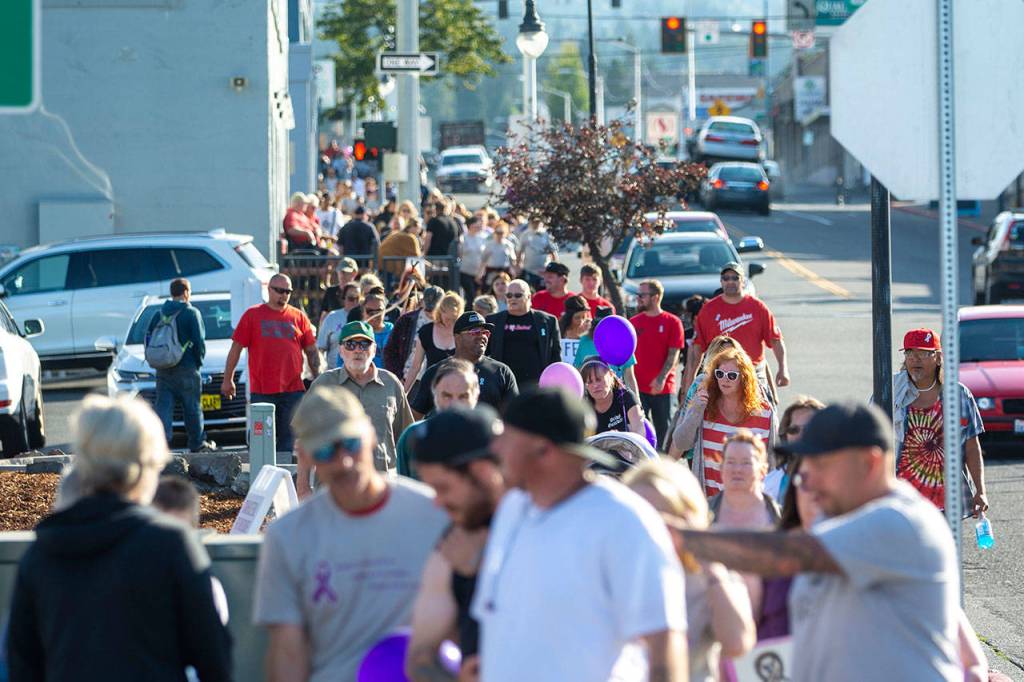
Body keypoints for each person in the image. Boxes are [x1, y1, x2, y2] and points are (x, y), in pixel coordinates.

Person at [665, 402, 965, 682]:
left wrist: (679, 537)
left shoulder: (900, 522)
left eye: (821, 464)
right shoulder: (833, 524)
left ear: (870, 463)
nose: (808, 477)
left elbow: (782, 555)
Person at [7, 396, 232, 681]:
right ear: (145, 464)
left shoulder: (41, 553)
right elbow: (214, 659)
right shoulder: (170, 545)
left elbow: (22, 665)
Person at [473, 387, 689, 681]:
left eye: (506, 438)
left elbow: (664, 645)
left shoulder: (624, 522)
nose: (495, 449)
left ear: (544, 450)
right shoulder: (511, 509)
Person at [254, 385, 447, 682]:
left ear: (371, 435)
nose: (343, 461)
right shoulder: (288, 536)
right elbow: (287, 650)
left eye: (351, 444)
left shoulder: (433, 514)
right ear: (305, 456)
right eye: (325, 451)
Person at [623, 460, 756, 682]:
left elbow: (737, 643)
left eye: (661, 515)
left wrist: (702, 551)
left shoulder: (710, 578)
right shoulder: (617, 573)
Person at [405, 406, 506, 682]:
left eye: (443, 488)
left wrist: (482, 570)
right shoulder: (452, 545)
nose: (436, 502)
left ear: (482, 472)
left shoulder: (543, 522)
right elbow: (420, 658)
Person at [891, 328, 987, 516]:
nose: (915, 359)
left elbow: (971, 447)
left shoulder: (958, 395)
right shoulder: (892, 391)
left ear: (938, 358)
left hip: (947, 503)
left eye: (922, 353)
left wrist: (981, 490)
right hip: (902, 503)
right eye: (909, 353)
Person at [222, 273, 319, 455]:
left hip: (293, 389)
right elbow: (236, 349)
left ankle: (284, 472)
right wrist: (228, 379)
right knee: (261, 440)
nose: (284, 295)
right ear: (269, 290)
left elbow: (311, 350)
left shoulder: (298, 317)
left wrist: (318, 379)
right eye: (279, 291)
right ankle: (261, 471)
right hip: (262, 389)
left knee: (288, 441)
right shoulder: (252, 315)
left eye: (288, 291)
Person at [305, 321, 413, 479]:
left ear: (374, 350)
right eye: (350, 344)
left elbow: (407, 439)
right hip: (333, 484)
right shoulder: (323, 384)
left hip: (382, 483)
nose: (357, 350)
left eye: (364, 344)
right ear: (341, 350)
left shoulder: (391, 383)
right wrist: (303, 486)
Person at [672, 347, 777, 497]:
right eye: (720, 374)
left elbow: (772, 463)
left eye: (732, 375)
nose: (725, 379)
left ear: (745, 378)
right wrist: (695, 412)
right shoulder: (705, 407)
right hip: (709, 503)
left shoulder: (764, 414)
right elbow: (681, 443)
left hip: (750, 502)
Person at [685, 262, 789, 398]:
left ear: (743, 281)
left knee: (764, 410)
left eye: (735, 278)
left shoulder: (758, 307)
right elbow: (697, 348)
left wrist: (783, 369)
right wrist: (690, 381)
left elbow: (775, 340)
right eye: (726, 278)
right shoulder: (709, 310)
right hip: (720, 376)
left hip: (753, 373)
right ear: (721, 281)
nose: (730, 282)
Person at [709, 431, 781, 619]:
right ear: (721, 467)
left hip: (768, 621)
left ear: (763, 470)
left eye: (746, 463)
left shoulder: (781, 519)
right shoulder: (702, 516)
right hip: (714, 621)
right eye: (731, 462)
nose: (737, 469)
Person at [147, 277, 213, 453]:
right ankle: (196, 443)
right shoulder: (191, 313)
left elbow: (148, 337)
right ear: (185, 292)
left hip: (163, 369)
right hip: (187, 368)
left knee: (163, 408)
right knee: (192, 407)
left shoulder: (159, 314)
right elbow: (199, 342)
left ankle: (161, 445)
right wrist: (198, 362)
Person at [412, 312, 519, 418]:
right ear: (457, 337)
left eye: (485, 332)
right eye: (475, 332)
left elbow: (515, 415)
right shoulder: (436, 372)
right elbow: (415, 415)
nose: (482, 336)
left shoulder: (501, 372)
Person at [396, 358, 481, 476]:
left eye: (463, 397)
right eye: (447, 396)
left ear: (476, 396)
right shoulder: (412, 436)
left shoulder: (492, 439)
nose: (454, 405)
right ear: (434, 395)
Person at [630, 279, 684, 449]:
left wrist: (661, 379)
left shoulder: (673, 322)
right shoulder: (634, 322)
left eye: (642, 295)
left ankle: (663, 463)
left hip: (663, 388)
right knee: (639, 432)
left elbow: (674, 354)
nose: (638, 298)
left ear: (655, 297)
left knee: (664, 433)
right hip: (637, 388)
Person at [484, 279, 561, 387]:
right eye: (509, 295)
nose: (512, 299)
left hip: (536, 384)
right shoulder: (493, 321)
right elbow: (484, 353)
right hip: (503, 383)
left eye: (518, 295)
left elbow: (556, 355)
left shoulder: (548, 321)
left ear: (529, 297)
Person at [573, 305, 641, 398]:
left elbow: (629, 376)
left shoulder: (623, 341)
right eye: (599, 326)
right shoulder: (585, 341)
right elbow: (577, 371)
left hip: (616, 395)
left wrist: (637, 400)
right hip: (591, 395)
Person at [766, 396, 825, 501]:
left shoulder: (843, 481)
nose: (800, 435)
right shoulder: (766, 485)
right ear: (785, 436)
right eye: (793, 430)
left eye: (808, 428)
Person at [404, 292, 464, 394]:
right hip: (431, 390)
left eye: (453, 319)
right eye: (447, 319)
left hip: (457, 390)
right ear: (440, 312)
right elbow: (415, 366)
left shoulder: (463, 332)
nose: (450, 323)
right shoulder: (426, 331)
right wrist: (404, 393)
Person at [384, 285, 444, 381]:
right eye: (428, 309)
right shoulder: (405, 321)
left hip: (434, 381)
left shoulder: (447, 325)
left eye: (434, 308)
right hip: (406, 378)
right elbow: (390, 351)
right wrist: (398, 376)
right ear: (422, 301)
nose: (431, 312)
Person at [581, 357, 645, 436]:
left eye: (599, 379)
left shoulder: (626, 397)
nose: (595, 385)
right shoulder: (583, 406)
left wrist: (619, 437)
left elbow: (639, 431)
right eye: (590, 382)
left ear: (611, 375)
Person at [317, 282, 361, 370]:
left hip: (359, 371)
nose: (355, 302)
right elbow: (320, 347)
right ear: (343, 299)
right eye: (351, 299)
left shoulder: (365, 317)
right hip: (334, 371)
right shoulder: (333, 317)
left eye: (358, 299)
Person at [516, 218, 558, 291]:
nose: (535, 224)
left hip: (544, 270)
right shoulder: (525, 235)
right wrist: (518, 266)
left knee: (544, 291)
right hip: (529, 270)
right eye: (533, 222)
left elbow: (553, 252)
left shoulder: (547, 234)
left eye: (537, 222)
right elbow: (520, 251)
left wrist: (555, 267)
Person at [379, 215, 422, 282]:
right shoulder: (409, 237)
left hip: (381, 264)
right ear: (414, 227)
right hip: (388, 266)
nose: (419, 231)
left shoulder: (398, 234)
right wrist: (432, 267)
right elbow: (417, 258)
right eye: (418, 228)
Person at [477, 223, 518, 291]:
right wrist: (479, 274)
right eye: (497, 233)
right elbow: (483, 261)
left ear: (505, 233)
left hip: (504, 272)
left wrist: (514, 272)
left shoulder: (509, 245)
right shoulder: (489, 245)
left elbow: (513, 261)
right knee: (488, 290)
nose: (499, 235)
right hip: (491, 272)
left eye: (501, 233)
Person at [362, 290, 394, 369]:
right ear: (363, 312)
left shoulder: (394, 332)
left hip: (389, 375)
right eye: (370, 311)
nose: (375, 315)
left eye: (379, 311)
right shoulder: (356, 331)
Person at [459, 215, 488, 300]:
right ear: (470, 226)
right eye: (476, 226)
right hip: (466, 272)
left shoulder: (483, 238)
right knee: (470, 296)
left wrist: (480, 273)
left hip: (480, 273)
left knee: (480, 296)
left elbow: (485, 256)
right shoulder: (463, 238)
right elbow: (459, 253)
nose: (478, 227)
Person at [557, 294, 591, 364]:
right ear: (569, 317)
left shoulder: (590, 329)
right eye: (577, 317)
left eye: (584, 317)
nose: (581, 321)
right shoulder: (559, 329)